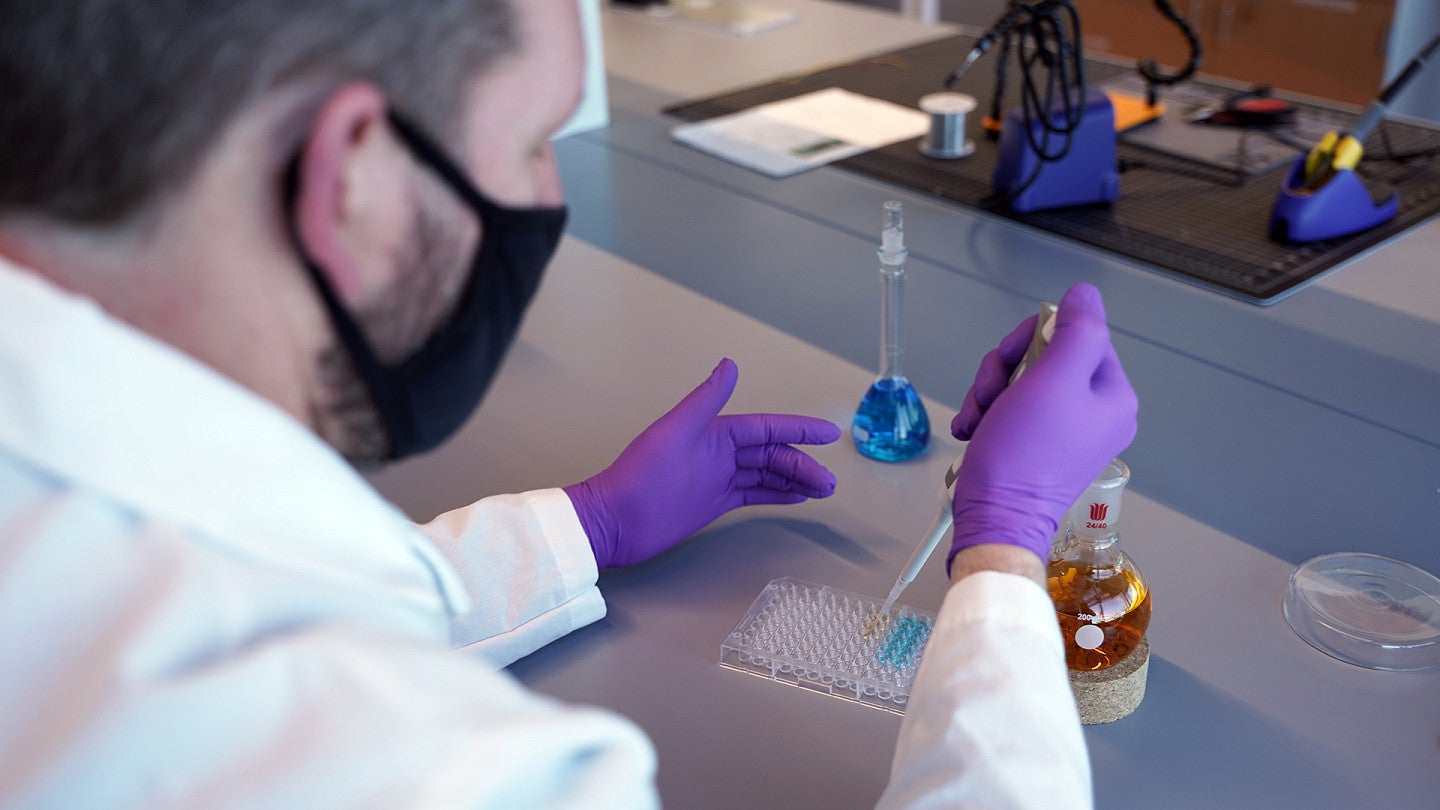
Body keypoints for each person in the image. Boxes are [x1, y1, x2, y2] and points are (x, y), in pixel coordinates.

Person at [0, 1, 1135, 807]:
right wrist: (1003, 555)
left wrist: (577, 529)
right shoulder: (413, 763)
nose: (554, 195)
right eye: (535, 138)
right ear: (350, 173)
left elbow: (283, 580)